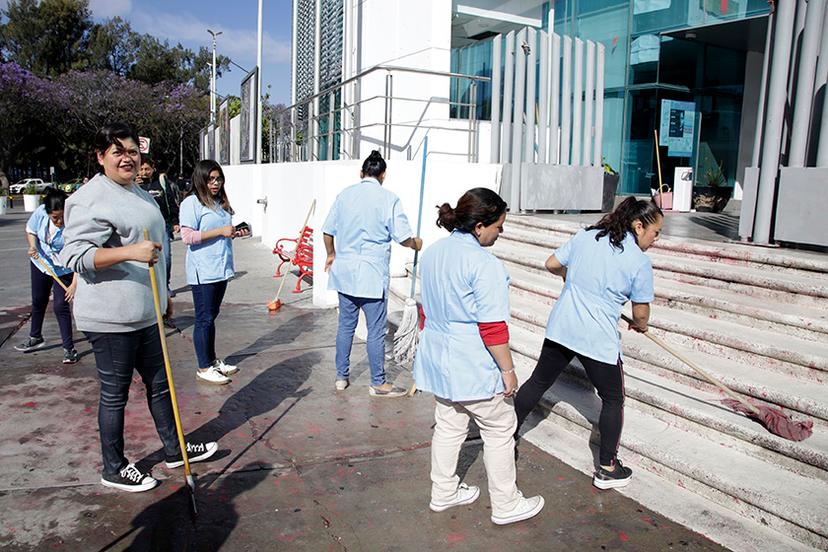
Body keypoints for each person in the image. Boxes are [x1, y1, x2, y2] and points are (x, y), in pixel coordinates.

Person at [60, 122, 217, 493]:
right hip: (112, 318)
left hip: (146, 312)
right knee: (114, 395)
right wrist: (130, 252)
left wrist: (163, 298)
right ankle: (113, 468)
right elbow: (74, 255)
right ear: (101, 158)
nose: (127, 158)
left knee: (160, 387)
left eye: (132, 151)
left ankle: (175, 449)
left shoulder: (141, 194)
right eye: (118, 152)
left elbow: (157, 250)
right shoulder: (89, 198)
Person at [412, 188, 545, 526]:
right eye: (499, 227)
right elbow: (493, 327)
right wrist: (508, 369)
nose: (500, 234)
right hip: (470, 360)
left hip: (438, 356)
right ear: (480, 225)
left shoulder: (433, 253)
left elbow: (423, 309)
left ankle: (442, 492)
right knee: (500, 427)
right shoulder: (484, 264)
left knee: (449, 424)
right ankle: (506, 503)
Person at [513, 197, 663, 490]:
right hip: (597, 339)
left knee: (538, 382)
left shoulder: (586, 236)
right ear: (638, 225)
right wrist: (640, 324)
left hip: (563, 327)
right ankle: (608, 468)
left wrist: (570, 278)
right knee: (613, 399)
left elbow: (551, 264)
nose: (656, 239)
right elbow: (641, 312)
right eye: (655, 232)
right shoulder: (639, 262)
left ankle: (504, 433)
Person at [322, 151, 422, 397]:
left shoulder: (344, 195)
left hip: (345, 273)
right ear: (383, 175)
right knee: (376, 331)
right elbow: (403, 237)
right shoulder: (389, 198)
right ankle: (378, 382)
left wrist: (331, 254)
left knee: (346, 326)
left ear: (361, 173)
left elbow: (327, 230)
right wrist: (416, 243)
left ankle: (341, 377)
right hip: (371, 275)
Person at [179, 159, 248, 385]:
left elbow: (223, 232)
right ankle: (203, 366)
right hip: (203, 270)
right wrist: (220, 231)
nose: (215, 183)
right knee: (204, 318)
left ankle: (212, 360)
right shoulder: (191, 203)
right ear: (201, 179)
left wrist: (233, 232)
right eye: (211, 179)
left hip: (221, 268)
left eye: (218, 179)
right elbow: (187, 237)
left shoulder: (220, 203)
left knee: (212, 316)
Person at [14, 188, 79, 364]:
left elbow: (81, 255)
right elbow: (31, 231)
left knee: (60, 305)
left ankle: (69, 349)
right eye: (54, 218)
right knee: (38, 300)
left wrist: (74, 284)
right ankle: (36, 337)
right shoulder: (41, 213)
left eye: (61, 217)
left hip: (65, 269)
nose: (59, 221)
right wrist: (33, 247)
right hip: (41, 263)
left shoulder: (75, 222)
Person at [136, 157, 179, 299]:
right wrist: (132, 185)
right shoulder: (134, 184)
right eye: (141, 169)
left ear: (153, 168)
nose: (144, 172)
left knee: (165, 257)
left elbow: (170, 201)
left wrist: (174, 221)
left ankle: (164, 284)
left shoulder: (160, 182)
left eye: (147, 169)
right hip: (143, 227)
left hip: (162, 225)